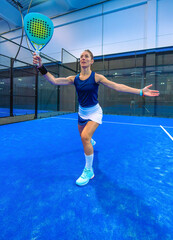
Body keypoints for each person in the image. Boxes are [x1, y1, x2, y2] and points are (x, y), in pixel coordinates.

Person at [33, 50, 160, 186]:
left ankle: (89, 170)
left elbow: (117, 86)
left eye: (86, 56)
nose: (83, 58)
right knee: (83, 135)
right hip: (82, 112)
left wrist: (140, 91)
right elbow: (53, 81)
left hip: (95, 112)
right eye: (81, 56)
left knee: (84, 137)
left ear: (91, 61)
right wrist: (41, 67)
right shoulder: (74, 79)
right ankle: (91, 141)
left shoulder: (96, 77)